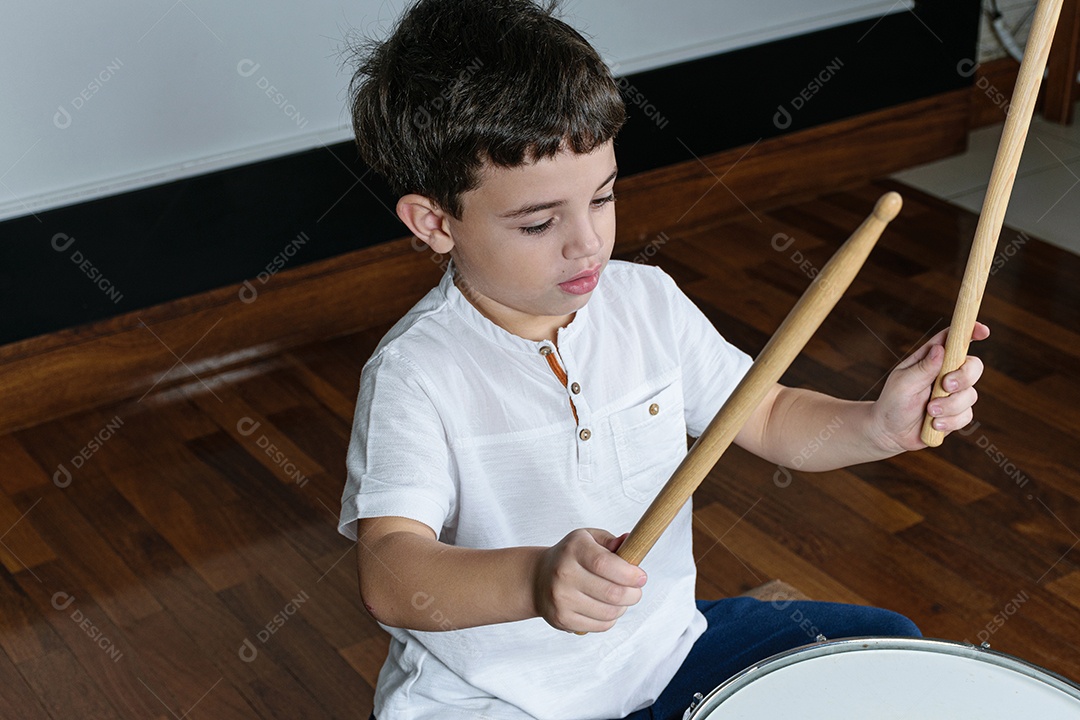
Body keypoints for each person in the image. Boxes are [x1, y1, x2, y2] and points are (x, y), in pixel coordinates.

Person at [336, 1, 988, 718]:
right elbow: (392, 573)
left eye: (604, 196)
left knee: (889, 650)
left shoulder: (646, 300)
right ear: (434, 222)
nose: (587, 243)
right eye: (540, 221)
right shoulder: (416, 372)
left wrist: (878, 425)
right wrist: (537, 577)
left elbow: (766, 413)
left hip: (665, 656)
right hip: (498, 702)